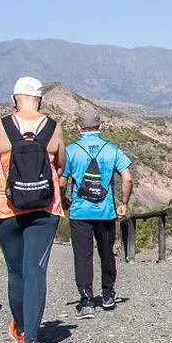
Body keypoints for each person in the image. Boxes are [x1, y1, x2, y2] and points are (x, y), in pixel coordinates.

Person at [0, 77, 65, 343]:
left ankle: (19, 328)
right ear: (40, 99)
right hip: (45, 208)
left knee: (16, 272)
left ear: (14, 98)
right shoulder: (53, 128)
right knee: (36, 271)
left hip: (7, 207)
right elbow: (60, 165)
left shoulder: (1, 126)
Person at [60, 109, 133, 319]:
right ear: (100, 126)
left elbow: (62, 181)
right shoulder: (112, 150)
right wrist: (124, 203)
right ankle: (108, 294)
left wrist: (65, 200)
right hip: (106, 211)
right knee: (106, 253)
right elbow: (127, 179)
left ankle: (86, 301)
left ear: (78, 128)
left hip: (80, 212)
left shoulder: (71, 151)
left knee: (83, 256)